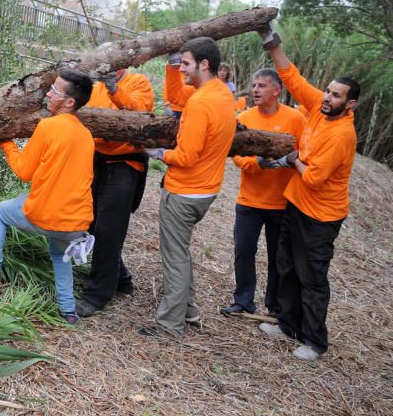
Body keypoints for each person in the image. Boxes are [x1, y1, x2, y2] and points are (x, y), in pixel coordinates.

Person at [256, 23, 359, 361]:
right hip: (296, 205)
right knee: (286, 266)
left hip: (321, 217)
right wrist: (273, 45)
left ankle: (314, 340)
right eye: (328, 92)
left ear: (351, 103)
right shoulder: (319, 108)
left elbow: (314, 178)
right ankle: (287, 324)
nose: (328, 98)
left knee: (312, 277)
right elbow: (294, 79)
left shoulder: (342, 135)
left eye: (336, 95)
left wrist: (291, 160)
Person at [0, 69, 95, 325]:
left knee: (0, 212)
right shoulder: (86, 135)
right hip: (77, 223)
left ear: (70, 102)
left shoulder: (48, 126)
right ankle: (68, 311)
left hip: (46, 214)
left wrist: (7, 142)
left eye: (55, 91)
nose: (48, 93)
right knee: (60, 254)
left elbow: (23, 171)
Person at [140, 37, 236, 337]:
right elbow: (176, 97)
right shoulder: (220, 93)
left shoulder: (201, 102)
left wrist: (155, 152)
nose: (181, 69)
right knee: (179, 251)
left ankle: (170, 324)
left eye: (185, 63)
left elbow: (186, 155)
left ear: (204, 64)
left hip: (185, 191)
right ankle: (189, 310)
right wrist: (172, 67)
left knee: (175, 257)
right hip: (205, 189)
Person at [220, 69, 306, 318]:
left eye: (262, 86)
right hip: (249, 200)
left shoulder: (295, 119)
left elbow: (305, 152)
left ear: (277, 90)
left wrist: (289, 161)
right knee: (244, 250)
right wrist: (257, 163)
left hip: (281, 202)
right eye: (254, 85)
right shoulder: (245, 117)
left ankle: (275, 305)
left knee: (277, 257)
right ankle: (243, 300)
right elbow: (236, 155)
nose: (255, 90)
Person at [76, 67, 154, 317]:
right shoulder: (95, 87)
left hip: (125, 164)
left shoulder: (138, 83)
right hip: (96, 160)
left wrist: (114, 89)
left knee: (109, 230)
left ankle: (97, 294)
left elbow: (140, 113)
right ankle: (121, 278)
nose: (104, 67)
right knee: (91, 224)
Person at [163, 52, 194, 118]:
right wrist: (167, 103)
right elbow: (169, 89)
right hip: (173, 108)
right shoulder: (174, 68)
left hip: (187, 109)